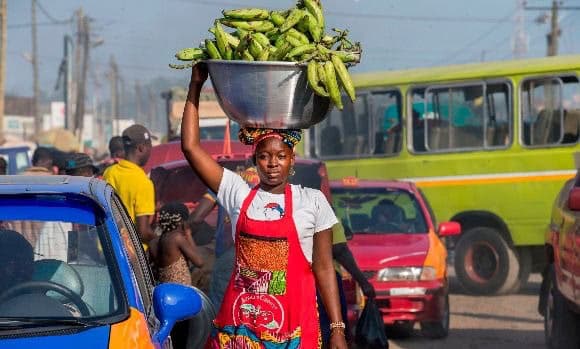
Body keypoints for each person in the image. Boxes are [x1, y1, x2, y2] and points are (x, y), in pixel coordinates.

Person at [181, 64, 348, 349]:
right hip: (241, 330)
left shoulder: (312, 201)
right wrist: (195, 85)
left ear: (292, 160)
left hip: (295, 332)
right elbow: (190, 148)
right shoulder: (237, 192)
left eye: (280, 156)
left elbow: (323, 268)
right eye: (264, 157)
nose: (272, 164)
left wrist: (337, 329)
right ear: (254, 160)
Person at [148, 202, 204, 349]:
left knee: (166, 337)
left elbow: (151, 269)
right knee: (181, 338)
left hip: (162, 297)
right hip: (180, 299)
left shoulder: (154, 242)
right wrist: (189, 235)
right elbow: (199, 261)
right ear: (183, 221)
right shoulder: (177, 238)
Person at [318, 222, 376, 345]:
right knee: (329, 330)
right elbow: (340, 250)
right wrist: (363, 282)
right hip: (325, 279)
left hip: (294, 279)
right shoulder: (325, 214)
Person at [103, 124, 156, 244]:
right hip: (132, 256)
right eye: (150, 146)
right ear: (141, 148)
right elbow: (143, 233)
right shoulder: (143, 182)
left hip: (109, 248)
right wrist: (163, 241)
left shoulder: (109, 172)